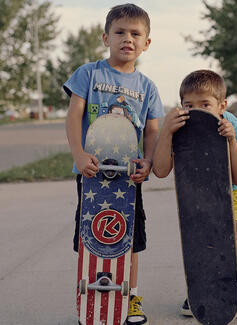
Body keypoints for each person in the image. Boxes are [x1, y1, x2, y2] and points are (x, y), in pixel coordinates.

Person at [64, 4, 164, 325]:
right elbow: (74, 115)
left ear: (146, 43)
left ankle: (130, 295)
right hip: (92, 174)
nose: (127, 39)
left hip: (127, 179)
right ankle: (90, 294)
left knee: (130, 239)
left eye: (136, 34)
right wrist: (79, 154)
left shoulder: (147, 87)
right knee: (90, 234)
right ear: (106, 37)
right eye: (120, 32)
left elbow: (152, 130)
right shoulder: (89, 73)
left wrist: (147, 162)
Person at [152, 70, 237, 318]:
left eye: (205, 104)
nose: (196, 110)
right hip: (195, 192)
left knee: (231, 230)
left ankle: (234, 288)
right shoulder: (180, 126)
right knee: (197, 237)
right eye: (189, 105)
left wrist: (230, 141)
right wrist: (166, 132)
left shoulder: (235, 128)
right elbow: (161, 170)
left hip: (230, 191)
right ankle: (200, 290)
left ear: (222, 106)